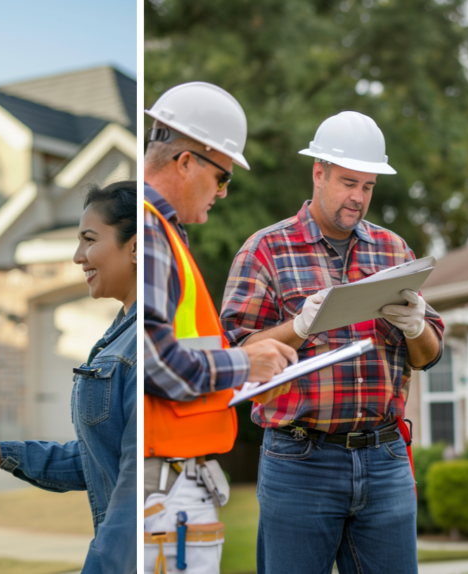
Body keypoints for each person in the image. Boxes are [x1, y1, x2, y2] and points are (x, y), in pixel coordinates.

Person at [220, 111, 445, 574]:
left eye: (367, 187)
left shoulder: (394, 252)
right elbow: (234, 357)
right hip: (300, 460)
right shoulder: (265, 250)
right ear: (318, 172)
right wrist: (298, 327)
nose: (358, 198)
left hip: (384, 459)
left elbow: (430, 356)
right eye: (348, 183)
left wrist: (416, 325)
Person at [0, 181, 138, 574]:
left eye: (89, 239)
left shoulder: (141, 343)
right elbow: (97, 461)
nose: (78, 256)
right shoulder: (117, 337)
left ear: (134, 247)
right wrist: (0, 454)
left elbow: (134, 487)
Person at [141, 81, 297, 573]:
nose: (224, 192)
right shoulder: (148, 229)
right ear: (186, 162)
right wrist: (245, 362)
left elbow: (181, 354)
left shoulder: (164, 233)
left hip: (174, 489)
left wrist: (243, 379)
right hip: (166, 492)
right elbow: (151, 358)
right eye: (222, 176)